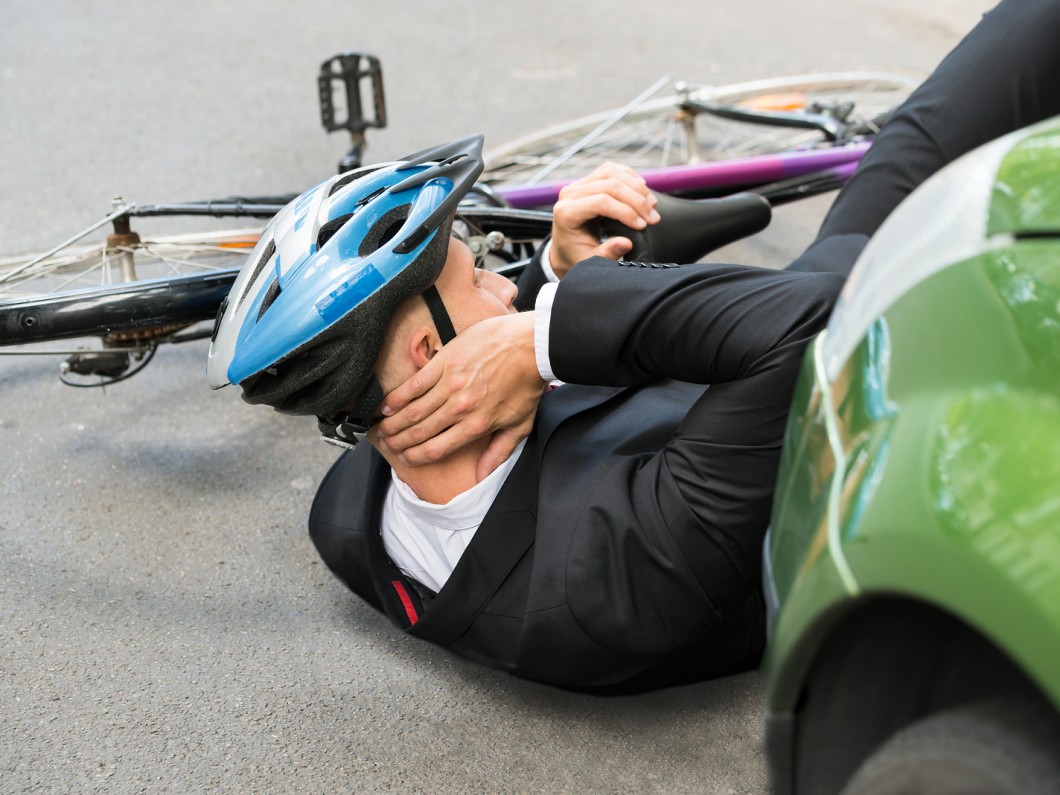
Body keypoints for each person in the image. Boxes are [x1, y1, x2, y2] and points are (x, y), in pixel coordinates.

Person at [209, 0, 1060, 693]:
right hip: (881, 408)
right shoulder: (608, 581)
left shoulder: (363, 490)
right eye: (482, 282)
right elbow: (815, 320)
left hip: (750, 356)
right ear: (435, 357)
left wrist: (558, 271)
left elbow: (498, 344)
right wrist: (546, 336)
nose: (507, 286)